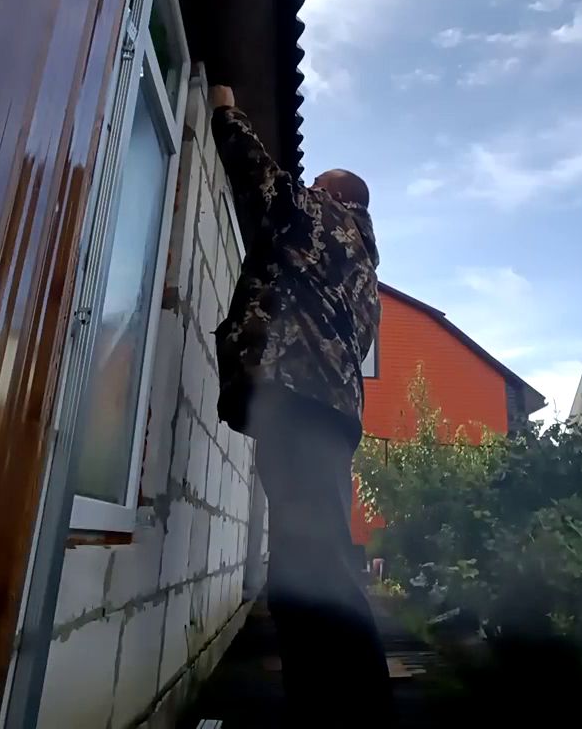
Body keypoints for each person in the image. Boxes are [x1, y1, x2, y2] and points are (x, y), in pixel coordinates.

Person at [209, 84, 394, 727]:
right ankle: (331, 707)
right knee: (311, 560)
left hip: (297, 400)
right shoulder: (362, 265)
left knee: (312, 568)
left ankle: (349, 711)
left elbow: (262, 181)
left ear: (337, 195)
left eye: (318, 183)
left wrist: (226, 110)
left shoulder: (323, 216)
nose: (308, 187)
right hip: (328, 413)